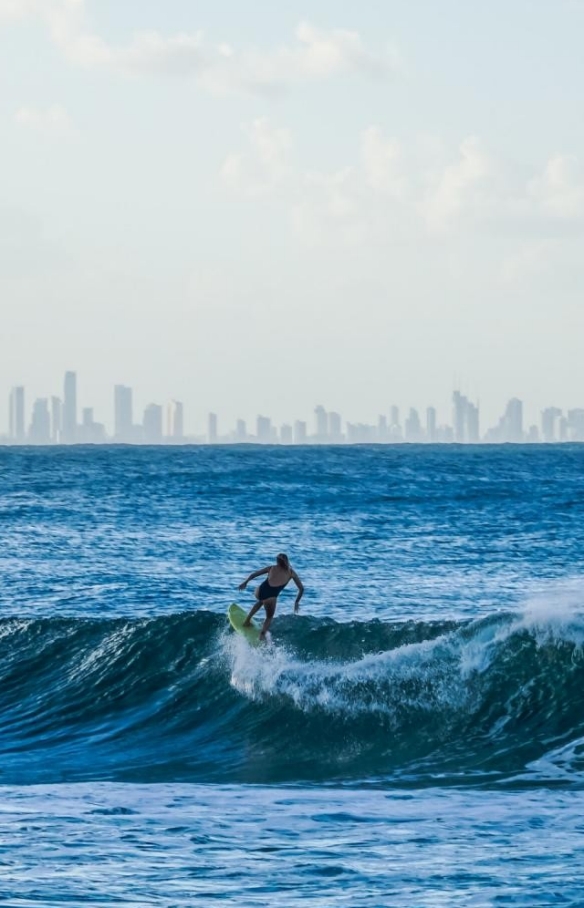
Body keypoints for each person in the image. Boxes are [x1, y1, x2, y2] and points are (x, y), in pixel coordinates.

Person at [239, 553, 303, 640]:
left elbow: (253, 575)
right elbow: (301, 589)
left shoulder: (271, 567)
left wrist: (245, 582)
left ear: (277, 561)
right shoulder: (291, 573)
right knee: (269, 617)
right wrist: (296, 602)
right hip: (271, 597)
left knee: (262, 601)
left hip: (259, 591)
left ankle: (247, 621)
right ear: (286, 561)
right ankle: (262, 635)